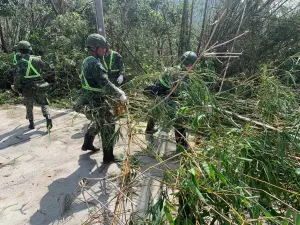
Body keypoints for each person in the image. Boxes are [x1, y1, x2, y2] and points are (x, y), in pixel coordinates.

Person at [73, 33, 127, 164]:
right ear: (93, 47)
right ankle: (108, 157)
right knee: (109, 124)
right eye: (102, 47)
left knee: (99, 119)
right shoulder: (95, 64)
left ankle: (88, 142)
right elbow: (105, 83)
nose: (105, 50)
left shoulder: (87, 60)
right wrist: (119, 93)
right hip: (97, 98)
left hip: (89, 95)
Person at [144, 51, 198, 152]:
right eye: (192, 65)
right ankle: (182, 146)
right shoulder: (180, 75)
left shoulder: (173, 70)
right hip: (165, 99)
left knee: (154, 115)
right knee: (178, 119)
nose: (193, 67)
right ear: (188, 64)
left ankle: (148, 136)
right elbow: (180, 94)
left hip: (159, 99)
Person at [13, 41, 52, 130]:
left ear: (20, 50)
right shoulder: (36, 59)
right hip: (40, 84)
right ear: (29, 49)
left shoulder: (20, 62)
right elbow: (46, 67)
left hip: (27, 87)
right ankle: (47, 117)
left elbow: (17, 78)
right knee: (43, 103)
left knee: (29, 105)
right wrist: (39, 60)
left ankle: (31, 123)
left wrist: (16, 88)